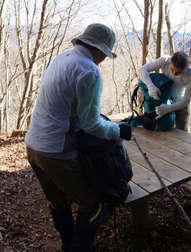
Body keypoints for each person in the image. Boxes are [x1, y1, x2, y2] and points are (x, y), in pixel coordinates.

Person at [24, 23, 132, 251]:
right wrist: (118, 130)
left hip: (33, 145)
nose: (104, 59)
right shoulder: (88, 70)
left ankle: (67, 244)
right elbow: (91, 124)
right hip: (56, 151)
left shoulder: (62, 58)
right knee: (94, 206)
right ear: (100, 50)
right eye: (105, 54)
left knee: (58, 200)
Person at [138, 51, 191, 131]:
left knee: (181, 133)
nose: (174, 73)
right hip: (163, 98)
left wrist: (168, 109)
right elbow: (142, 69)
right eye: (172, 69)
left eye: (179, 72)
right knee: (160, 128)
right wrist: (150, 86)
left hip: (180, 103)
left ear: (186, 68)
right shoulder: (165, 60)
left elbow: (186, 100)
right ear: (170, 63)